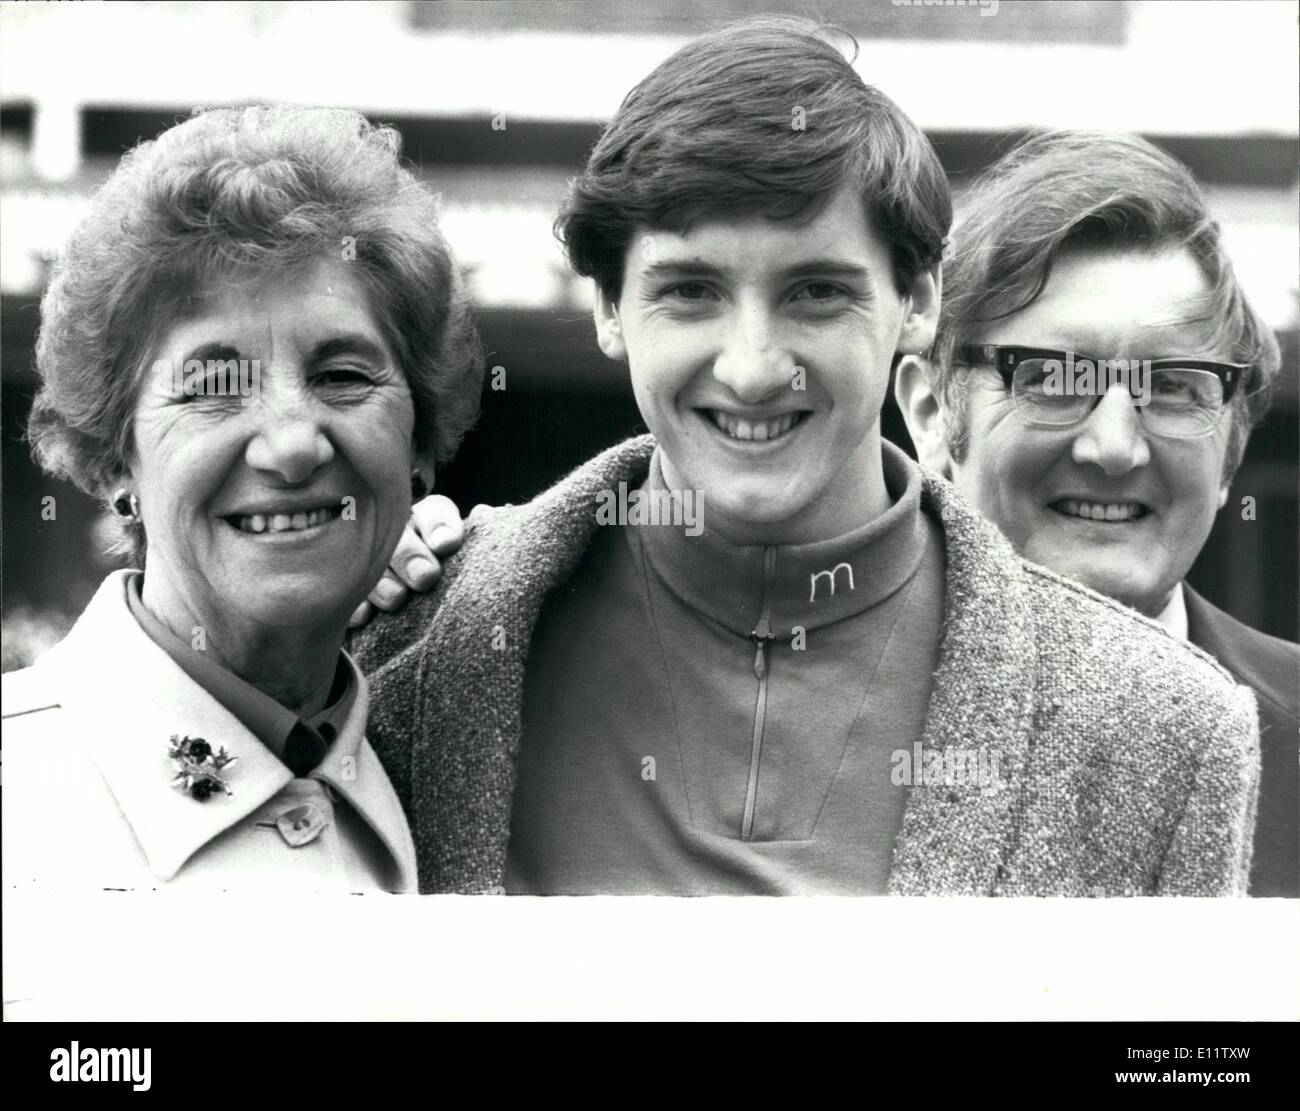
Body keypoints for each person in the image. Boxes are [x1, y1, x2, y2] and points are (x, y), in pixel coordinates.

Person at [352, 18, 1259, 897]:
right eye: (691, 291)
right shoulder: (398, 642)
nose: (751, 368)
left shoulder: (1163, 729)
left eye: (816, 292)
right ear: (607, 309)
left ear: (918, 302)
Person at [2, 105, 482, 892]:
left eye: (343, 376)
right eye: (215, 385)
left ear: (421, 442)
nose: (293, 445)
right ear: (113, 454)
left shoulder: (450, 783)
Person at [893, 130, 1298, 896]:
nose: (1115, 447)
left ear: (1232, 447)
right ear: (928, 411)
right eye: (1052, 377)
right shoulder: (814, 721)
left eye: (1174, 385)